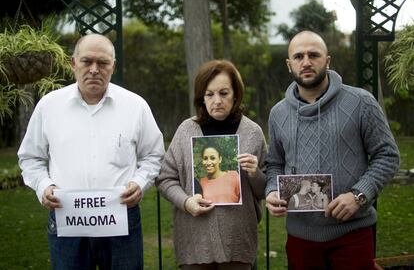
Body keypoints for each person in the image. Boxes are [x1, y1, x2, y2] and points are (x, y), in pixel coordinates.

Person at [17, 34, 165, 269]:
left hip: (121, 219)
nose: (94, 69)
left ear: (113, 67)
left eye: (103, 63)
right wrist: (44, 186)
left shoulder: (135, 106)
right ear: (73, 63)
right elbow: (30, 158)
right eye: (87, 61)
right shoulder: (49, 106)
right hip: (67, 221)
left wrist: (140, 182)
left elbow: (153, 155)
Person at [265, 31, 400, 269]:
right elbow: (274, 163)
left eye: (313, 55)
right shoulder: (278, 114)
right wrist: (272, 191)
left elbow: (387, 155)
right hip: (300, 236)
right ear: (289, 65)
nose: (306, 62)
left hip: (352, 233)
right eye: (298, 56)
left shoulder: (361, 102)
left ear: (327, 60)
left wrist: (359, 196)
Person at [156, 59, 267, 269]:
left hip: (238, 242)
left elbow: (265, 190)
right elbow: (165, 179)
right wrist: (186, 201)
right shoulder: (186, 131)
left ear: (235, 95)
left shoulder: (252, 133)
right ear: (201, 98)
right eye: (210, 94)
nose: (217, 100)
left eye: (224, 93)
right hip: (194, 241)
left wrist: (255, 174)